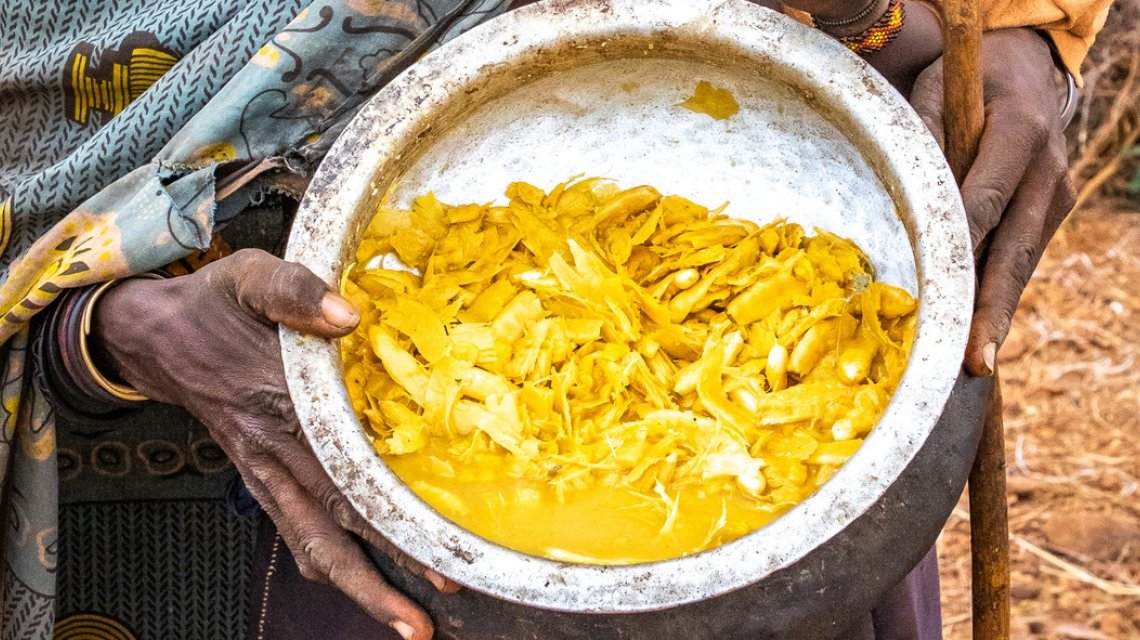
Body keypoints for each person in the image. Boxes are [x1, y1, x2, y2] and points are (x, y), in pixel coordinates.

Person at [0, 0, 1110, 638]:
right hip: (193, 518)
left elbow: (993, 17)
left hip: (781, 418)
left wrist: (1024, 48)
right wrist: (107, 324)